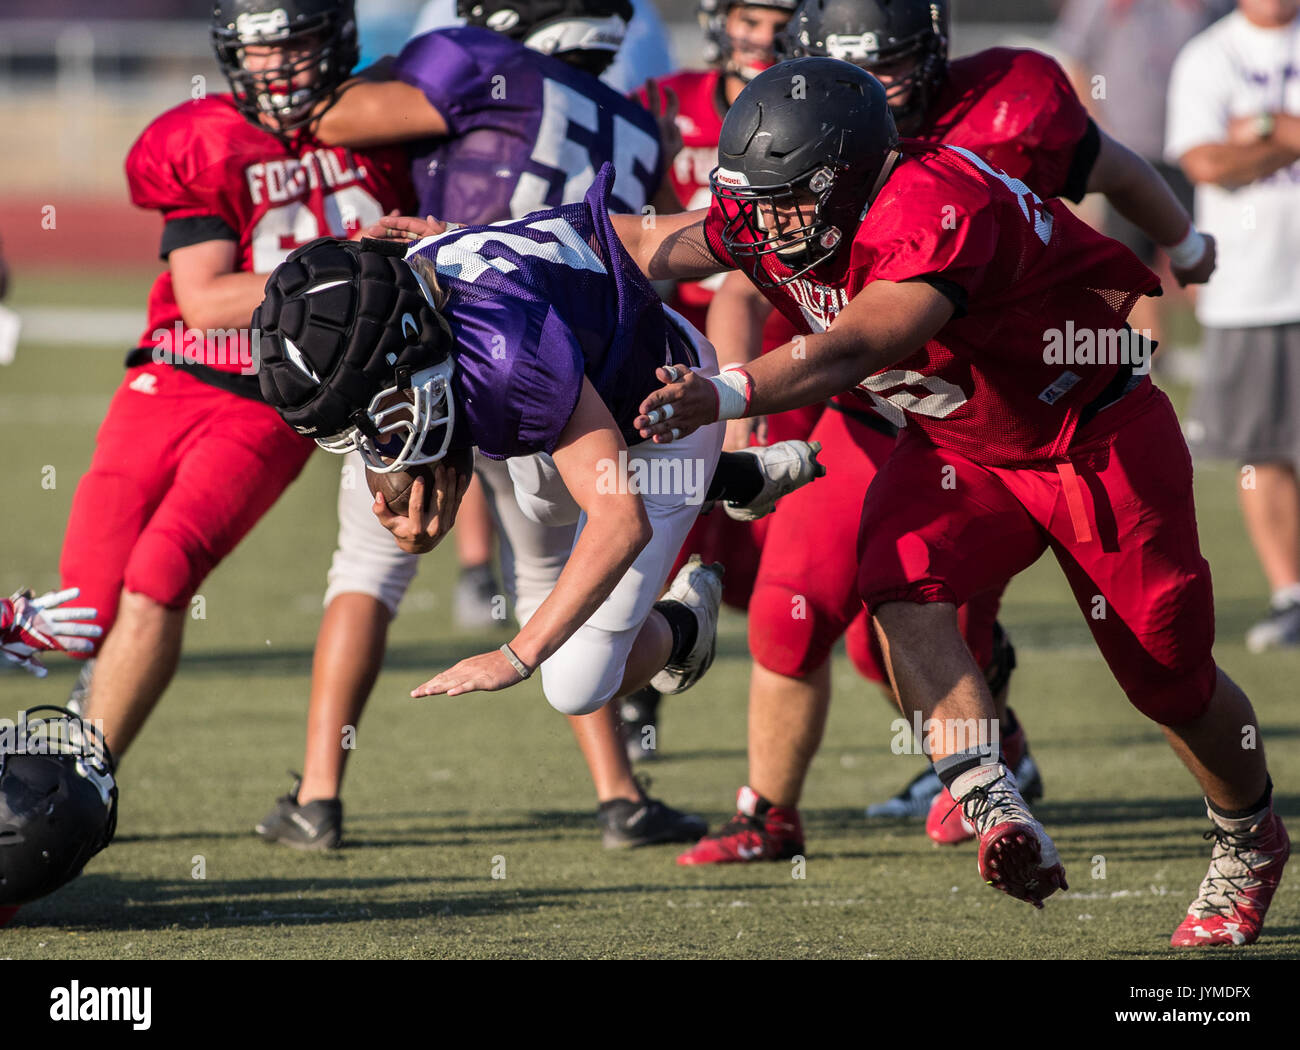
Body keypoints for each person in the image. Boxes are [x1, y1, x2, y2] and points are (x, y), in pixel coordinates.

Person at [612, 59, 1286, 946]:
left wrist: (727, 391)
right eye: (756, 199)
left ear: (847, 179)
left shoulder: (935, 203)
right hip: (964, 446)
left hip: (1094, 435)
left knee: (1170, 679)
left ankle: (1250, 837)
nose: (762, 224)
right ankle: (993, 799)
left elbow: (857, 344)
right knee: (898, 584)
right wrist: (474, 243)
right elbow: (644, 237)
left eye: (785, 200)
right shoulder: (788, 206)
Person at [676, 0, 1218, 862]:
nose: (881, 85)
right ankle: (781, 812)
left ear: (929, 54)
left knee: (1142, 661)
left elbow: (1115, 169)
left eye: (892, 63)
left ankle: (997, 764)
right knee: (817, 603)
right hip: (888, 405)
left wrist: (1185, 246)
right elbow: (733, 274)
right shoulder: (801, 153)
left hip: (1039, 402)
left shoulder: (1007, 109)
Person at [252, 0, 754, 851]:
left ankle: (684, 613)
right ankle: (620, 795)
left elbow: (320, 111)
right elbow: (605, 234)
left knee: (567, 663)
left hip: (634, 421)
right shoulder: (625, 119)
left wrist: (512, 657)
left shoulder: (503, 356)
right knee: (487, 529)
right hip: (550, 382)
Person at [252, 171, 823, 729]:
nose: (377, 441)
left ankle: (684, 627)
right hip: (579, 382)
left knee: (575, 682)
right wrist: (413, 525)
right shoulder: (418, 282)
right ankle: (726, 479)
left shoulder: (508, 361)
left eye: (375, 409)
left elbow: (619, 522)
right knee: (544, 508)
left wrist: (514, 656)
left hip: (659, 412)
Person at [58, 0, 415, 763]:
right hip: (176, 371)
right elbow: (207, 299)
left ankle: (85, 776)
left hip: (277, 397)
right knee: (84, 602)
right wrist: (349, 266)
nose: (278, 65)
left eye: (296, 44)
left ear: (337, 41)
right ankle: (80, 699)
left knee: (162, 574)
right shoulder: (203, 136)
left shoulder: (387, 122)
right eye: (260, 51)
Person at [620, 0, 803, 760]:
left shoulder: (819, 108)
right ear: (719, 20)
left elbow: (745, 280)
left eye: (780, 21)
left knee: (802, 567)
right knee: (651, 526)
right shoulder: (661, 104)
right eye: (749, 18)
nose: (762, 38)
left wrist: (737, 394)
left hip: (792, 342)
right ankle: (637, 692)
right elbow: (626, 232)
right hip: (676, 353)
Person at [1168, 0, 1300, 652]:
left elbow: (1236, 152)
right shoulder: (1210, 54)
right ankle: (1290, 596)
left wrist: (1266, 131)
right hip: (1252, 288)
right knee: (1263, 450)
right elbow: (1207, 163)